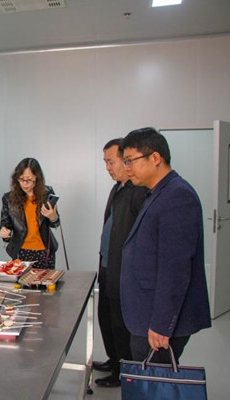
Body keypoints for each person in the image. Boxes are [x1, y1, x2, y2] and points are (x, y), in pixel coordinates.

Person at [120, 127, 211, 364]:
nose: (126, 168)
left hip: (158, 323)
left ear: (155, 158)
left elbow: (175, 268)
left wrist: (162, 324)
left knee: (154, 379)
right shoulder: (158, 193)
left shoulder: (177, 196)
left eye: (130, 160)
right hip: (147, 313)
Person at [93, 139, 148, 388]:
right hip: (107, 265)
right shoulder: (117, 188)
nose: (108, 167)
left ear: (126, 161)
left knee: (120, 324)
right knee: (105, 317)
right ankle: (113, 360)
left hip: (123, 271)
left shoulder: (137, 192)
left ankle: (122, 372)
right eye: (105, 162)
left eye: (111, 162)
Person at [0, 158, 59, 269]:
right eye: (21, 179)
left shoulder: (47, 194)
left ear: (37, 178)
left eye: (29, 179)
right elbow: (5, 224)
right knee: (21, 280)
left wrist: (53, 217)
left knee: (44, 280)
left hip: (45, 251)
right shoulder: (8, 198)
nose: (25, 183)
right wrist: (4, 232)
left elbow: (55, 223)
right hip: (21, 251)